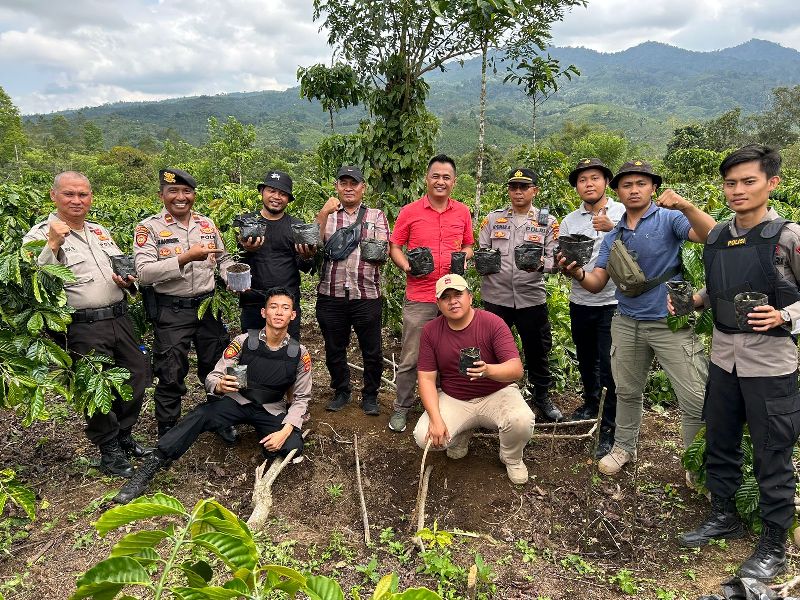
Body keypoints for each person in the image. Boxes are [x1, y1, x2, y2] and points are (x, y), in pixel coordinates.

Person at [677, 145, 800, 582]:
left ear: (772, 183)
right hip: (723, 358)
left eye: (749, 181)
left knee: (773, 452)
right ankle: (723, 514)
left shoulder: (786, 237)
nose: (738, 190)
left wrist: (785, 315)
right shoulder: (715, 238)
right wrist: (695, 301)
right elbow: (721, 290)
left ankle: (773, 544)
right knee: (721, 441)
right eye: (731, 183)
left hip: (770, 364)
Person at [560, 160, 714, 476]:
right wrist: (576, 272)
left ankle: (697, 466)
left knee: (695, 397)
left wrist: (686, 205)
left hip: (669, 322)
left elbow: (711, 235)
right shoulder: (615, 234)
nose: (634, 190)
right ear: (618, 190)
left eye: (641, 183)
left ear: (653, 188)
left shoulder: (670, 219)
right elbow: (596, 283)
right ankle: (623, 448)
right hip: (627, 321)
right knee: (627, 391)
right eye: (627, 185)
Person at [113, 287, 312, 504]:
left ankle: (268, 446)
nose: (279, 312)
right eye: (273, 307)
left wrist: (286, 430)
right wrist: (219, 386)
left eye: (285, 308)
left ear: (293, 315)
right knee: (199, 415)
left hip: (270, 407)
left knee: (292, 446)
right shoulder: (244, 341)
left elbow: (301, 398)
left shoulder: (299, 353)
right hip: (238, 401)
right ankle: (152, 465)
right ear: (264, 312)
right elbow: (214, 375)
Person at [23, 172, 150, 477]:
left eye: (83, 194)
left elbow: (122, 267)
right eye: (69, 194)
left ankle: (123, 435)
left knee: (138, 374)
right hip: (83, 325)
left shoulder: (99, 231)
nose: (77, 201)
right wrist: (52, 244)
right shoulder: (39, 234)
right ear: (54, 196)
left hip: (119, 316)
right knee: (96, 386)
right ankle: (109, 449)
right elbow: (34, 282)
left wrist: (127, 280)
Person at [134, 168, 236, 442]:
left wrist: (233, 275)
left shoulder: (206, 224)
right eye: (173, 192)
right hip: (172, 308)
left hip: (208, 306)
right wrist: (184, 258)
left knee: (217, 364)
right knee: (170, 370)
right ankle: (168, 430)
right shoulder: (149, 228)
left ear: (194, 195)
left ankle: (220, 418)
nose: (181, 197)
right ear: (161, 195)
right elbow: (143, 272)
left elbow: (223, 259)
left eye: (187, 191)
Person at [413, 274, 535, 484]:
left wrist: (488, 371)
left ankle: (511, 457)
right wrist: (435, 419)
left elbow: (516, 370)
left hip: (496, 393)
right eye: (446, 297)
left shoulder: (492, 323)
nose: (453, 301)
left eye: (458, 294)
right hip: (455, 398)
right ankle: (461, 435)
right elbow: (425, 379)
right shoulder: (431, 331)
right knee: (424, 435)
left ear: (470, 296)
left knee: (521, 420)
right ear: (438, 303)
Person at [388, 155, 475, 433]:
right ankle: (402, 406)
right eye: (435, 176)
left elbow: (469, 245)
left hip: (453, 297)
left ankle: (445, 404)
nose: (441, 181)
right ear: (427, 179)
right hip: (421, 294)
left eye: (446, 177)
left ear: (454, 182)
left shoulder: (462, 211)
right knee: (411, 356)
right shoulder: (410, 211)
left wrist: (463, 257)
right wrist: (407, 266)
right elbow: (395, 247)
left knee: (452, 354)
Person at [479, 167, 563, 422]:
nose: (518, 192)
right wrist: (482, 262)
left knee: (537, 349)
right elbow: (483, 250)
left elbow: (556, 260)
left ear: (534, 191)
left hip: (530, 298)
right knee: (492, 349)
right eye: (513, 187)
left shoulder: (547, 223)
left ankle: (542, 396)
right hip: (496, 298)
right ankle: (492, 396)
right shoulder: (493, 220)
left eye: (524, 187)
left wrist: (539, 265)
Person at [560, 158, 625, 456]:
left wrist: (613, 228)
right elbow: (565, 258)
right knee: (586, 358)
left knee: (609, 364)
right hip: (580, 300)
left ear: (605, 182)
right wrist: (565, 267)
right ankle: (589, 402)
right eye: (583, 179)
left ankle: (609, 425)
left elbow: (638, 247)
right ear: (576, 187)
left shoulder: (622, 212)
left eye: (595, 178)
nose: (589, 183)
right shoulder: (570, 221)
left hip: (613, 302)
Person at [315, 166, 390, 415]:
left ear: (363, 187)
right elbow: (312, 244)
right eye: (343, 182)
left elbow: (382, 250)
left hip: (366, 293)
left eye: (354, 183)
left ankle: (370, 395)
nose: (349, 187)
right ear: (336, 186)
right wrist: (325, 211)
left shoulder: (376, 215)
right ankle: (342, 390)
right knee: (334, 347)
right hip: (331, 292)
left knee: (372, 349)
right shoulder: (328, 215)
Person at [236, 170, 315, 340]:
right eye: (272, 191)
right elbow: (234, 262)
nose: (276, 197)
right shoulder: (245, 222)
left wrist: (307, 256)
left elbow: (306, 266)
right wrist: (246, 250)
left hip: (286, 302)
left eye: (283, 193)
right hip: (253, 300)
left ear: (288, 199)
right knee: (252, 350)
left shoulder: (296, 226)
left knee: (288, 351)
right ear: (262, 192)